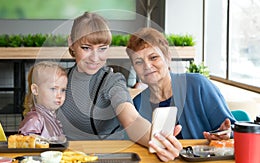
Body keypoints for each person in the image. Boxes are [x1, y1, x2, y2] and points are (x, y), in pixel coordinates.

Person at [56, 12, 182, 162]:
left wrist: (159, 141)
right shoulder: (58, 79)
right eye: (86, 48)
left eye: (102, 48)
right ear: (71, 43)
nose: (95, 58)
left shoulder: (112, 81)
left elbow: (132, 119)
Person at [126, 27, 236, 141]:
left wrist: (225, 133)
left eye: (153, 57)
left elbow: (231, 128)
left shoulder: (198, 85)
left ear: (168, 57)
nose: (147, 66)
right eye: (139, 62)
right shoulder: (137, 104)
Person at [19, 61, 67, 140]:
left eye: (63, 90)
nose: (59, 95)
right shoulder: (35, 119)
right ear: (35, 90)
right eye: (53, 89)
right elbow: (25, 141)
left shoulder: (52, 116)